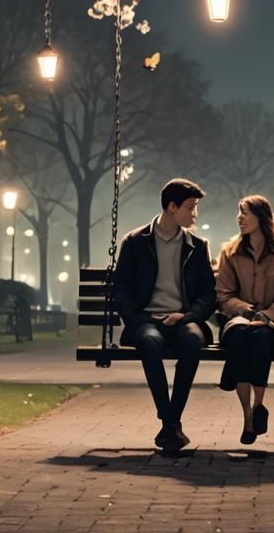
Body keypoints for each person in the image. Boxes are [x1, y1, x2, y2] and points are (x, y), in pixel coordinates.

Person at [111, 179, 217, 457]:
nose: (195, 214)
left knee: (193, 342)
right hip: (147, 319)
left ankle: (171, 421)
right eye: (191, 207)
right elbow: (121, 289)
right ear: (172, 207)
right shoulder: (136, 242)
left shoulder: (197, 245)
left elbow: (208, 293)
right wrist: (136, 319)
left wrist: (187, 316)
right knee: (148, 343)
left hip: (183, 318)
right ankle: (170, 422)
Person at [216, 195, 274, 445]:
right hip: (238, 320)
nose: (239, 218)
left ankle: (258, 405)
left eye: (246, 213)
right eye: (239, 212)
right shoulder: (230, 252)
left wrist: (265, 316)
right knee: (241, 336)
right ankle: (247, 416)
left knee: (259, 337)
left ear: (261, 218)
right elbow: (224, 294)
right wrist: (247, 312)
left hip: (272, 323)